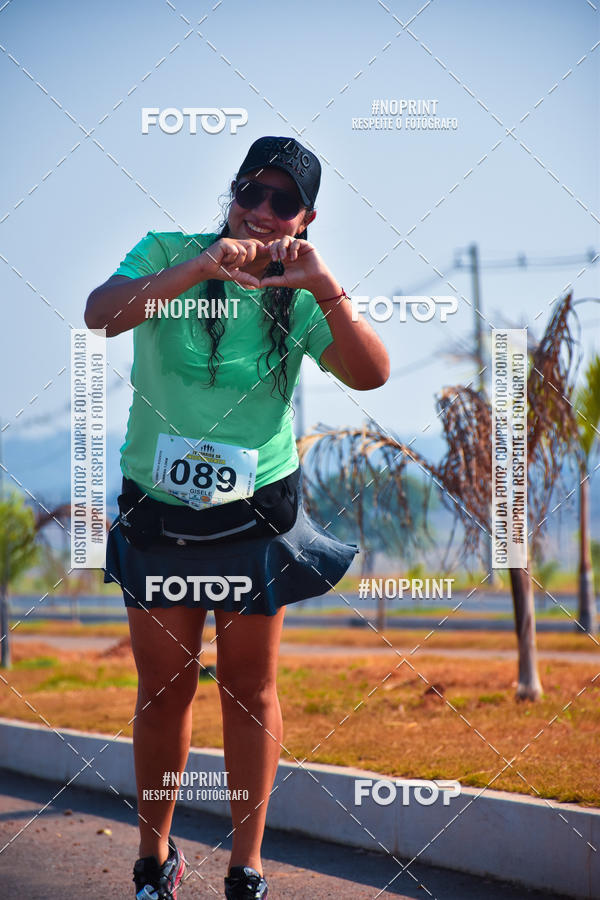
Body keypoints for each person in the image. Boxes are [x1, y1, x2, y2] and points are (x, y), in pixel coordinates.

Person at [85, 135, 390, 900]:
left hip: (256, 511)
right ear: (234, 191)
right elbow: (102, 315)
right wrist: (198, 267)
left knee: (248, 691)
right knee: (163, 689)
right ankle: (155, 859)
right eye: (250, 191)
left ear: (305, 218)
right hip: (159, 509)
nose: (259, 210)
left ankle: (246, 866)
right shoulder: (169, 251)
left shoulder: (300, 284)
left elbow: (372, 373)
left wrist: (325, 288)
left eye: (281, 202)